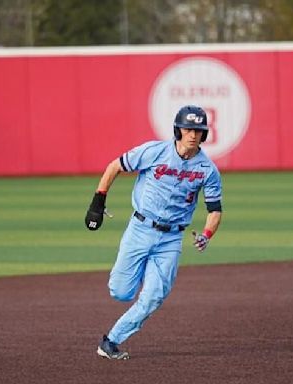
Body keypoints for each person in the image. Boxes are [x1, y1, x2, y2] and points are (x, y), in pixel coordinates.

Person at [85, 105, 223, 360]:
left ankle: (111, 341)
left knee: (153, 298)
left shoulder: (208, 170)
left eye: (198, 130)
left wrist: (207, 234)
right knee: (120, 291)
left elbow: (215, 209)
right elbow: (115, 166)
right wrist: (98, 201)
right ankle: (140, 273)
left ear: (205, 134)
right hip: (140, 228)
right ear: (178, 130)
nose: (192, 134)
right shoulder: (154, 151)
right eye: (188, 129)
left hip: (171, 238)